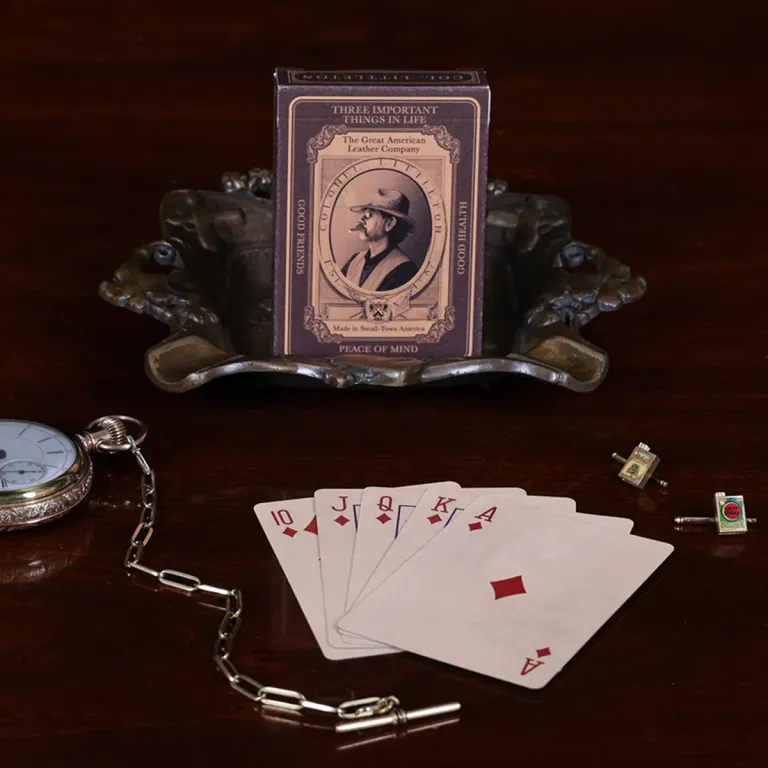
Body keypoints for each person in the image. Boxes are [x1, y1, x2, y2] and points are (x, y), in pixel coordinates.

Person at [341, 188, 418, 291]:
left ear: (389, 223)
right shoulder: (354, 260)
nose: (360, 220)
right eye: (363, 214)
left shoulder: (404, 270)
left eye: (369, 215)